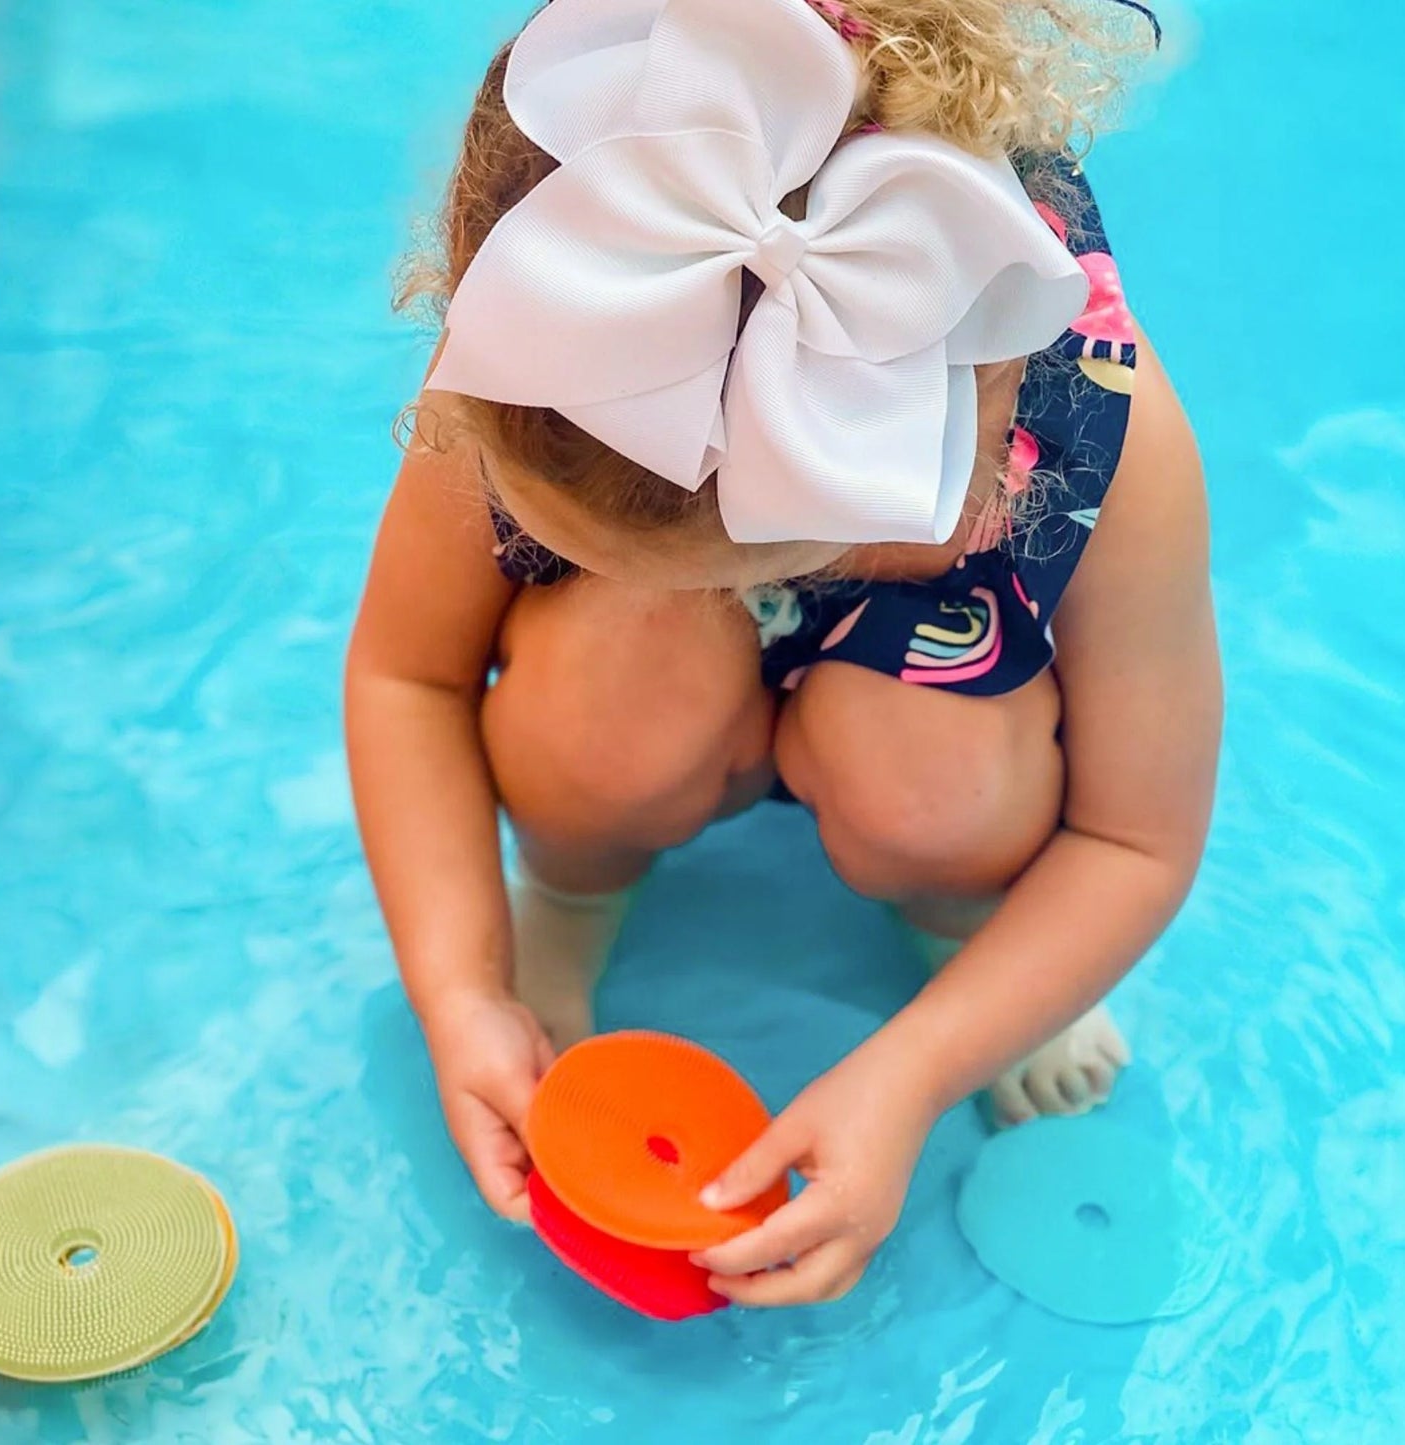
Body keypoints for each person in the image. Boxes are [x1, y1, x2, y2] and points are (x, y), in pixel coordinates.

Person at [344, 0, 1221, 1308]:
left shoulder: (1100, 426)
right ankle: (572, 897)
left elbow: (1134, 839)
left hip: (936, 704)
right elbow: (405, 675)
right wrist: (460, 986)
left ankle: (962, 932)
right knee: (611, 705)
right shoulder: (561, 330)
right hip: (646, 694)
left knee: (929, 782)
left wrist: (910, 1068)